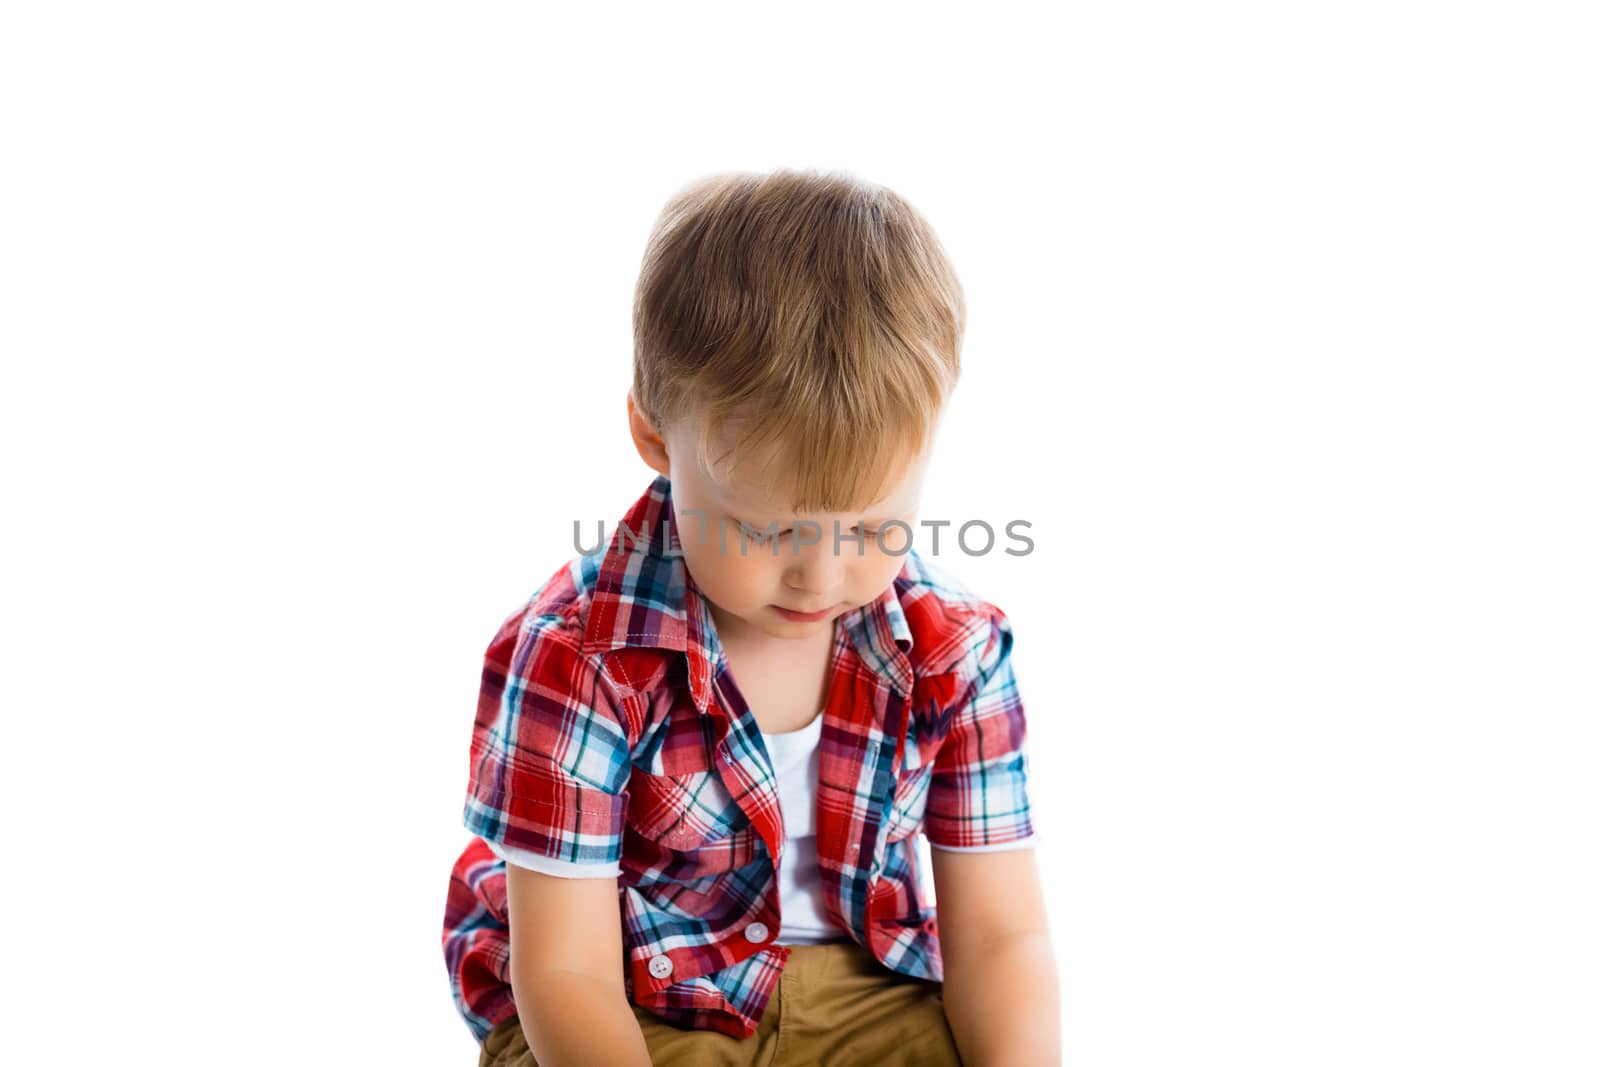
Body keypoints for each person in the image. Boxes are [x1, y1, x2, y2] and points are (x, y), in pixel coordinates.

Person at [442, 168, 1060, 1066]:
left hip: (864, 988)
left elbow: (1000, 936)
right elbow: (564, 975)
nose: (822, 572)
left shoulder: (953, 653)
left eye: (872, 523)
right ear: (657, 438)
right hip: (635, 996)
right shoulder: (579, 657)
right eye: (767, 527)